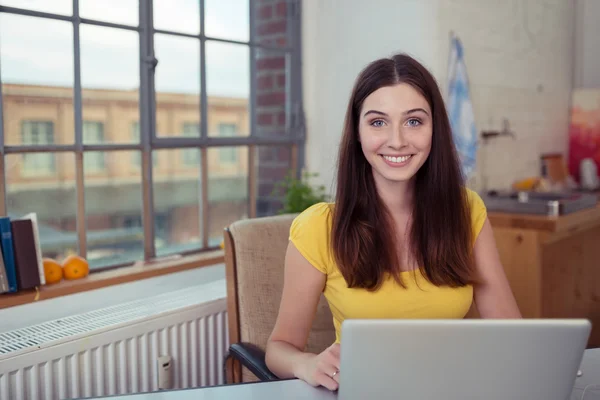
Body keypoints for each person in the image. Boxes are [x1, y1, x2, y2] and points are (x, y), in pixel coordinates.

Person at [264, 53, 521, 391]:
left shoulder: (466, 211)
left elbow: (511, 335)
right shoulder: (318, 228)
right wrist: (306, 363)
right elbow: (279, 349)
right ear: (357, 131)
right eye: (378, 122)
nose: (397, 140)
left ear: (435, 129)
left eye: (414, 121)